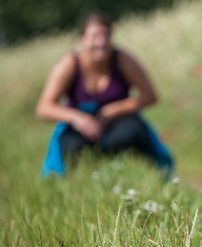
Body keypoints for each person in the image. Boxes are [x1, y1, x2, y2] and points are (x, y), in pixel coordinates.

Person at [36, 12, 173, 177]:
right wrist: (76, 118)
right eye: (94, 36)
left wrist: (112, 110)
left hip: (118, 123)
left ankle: (138, 175)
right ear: (83, 39)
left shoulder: (123, 60)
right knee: (70, 145)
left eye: (105, 35)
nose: (100, 42)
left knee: (134, 132)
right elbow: (44, 107)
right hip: (79, 125)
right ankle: (80, 181)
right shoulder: (69, 64)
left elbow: (150, 96)